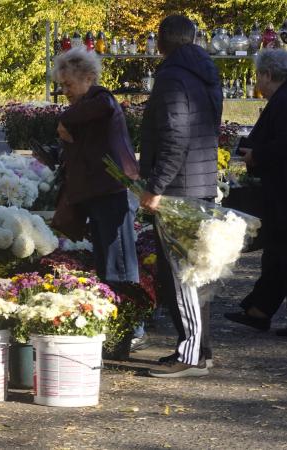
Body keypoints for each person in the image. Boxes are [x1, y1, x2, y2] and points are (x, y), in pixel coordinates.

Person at [139, 15, 222, 378]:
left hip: (179, 189)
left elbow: (175, 136)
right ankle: (200, 350)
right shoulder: (206, 72)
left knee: (182, 274)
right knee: (198, 273)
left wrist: (155, 186)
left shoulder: (172, 77)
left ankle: (190, 355)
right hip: (201, 182)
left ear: (161, 43)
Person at [53, 48, 141, 292]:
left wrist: (65, 120)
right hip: (100, 193)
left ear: (88, 78)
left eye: (68, 84)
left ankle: (132, 322)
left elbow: (95, 110)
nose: (65, 92)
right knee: (105, 262)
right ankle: (118, 315)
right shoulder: (86, 108)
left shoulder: (101, 99)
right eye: (62, 86)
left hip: (114, 192)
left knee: (119, 263)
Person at [224, 49, 287, 335]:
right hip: (278, 187)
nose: (257, 83)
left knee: (279, 250)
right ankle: (258, 308)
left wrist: (256, 155)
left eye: (257, 76)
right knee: (277, 249)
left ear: (266, 74)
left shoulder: (283, 100)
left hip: (282, 189)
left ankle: (259, 309)